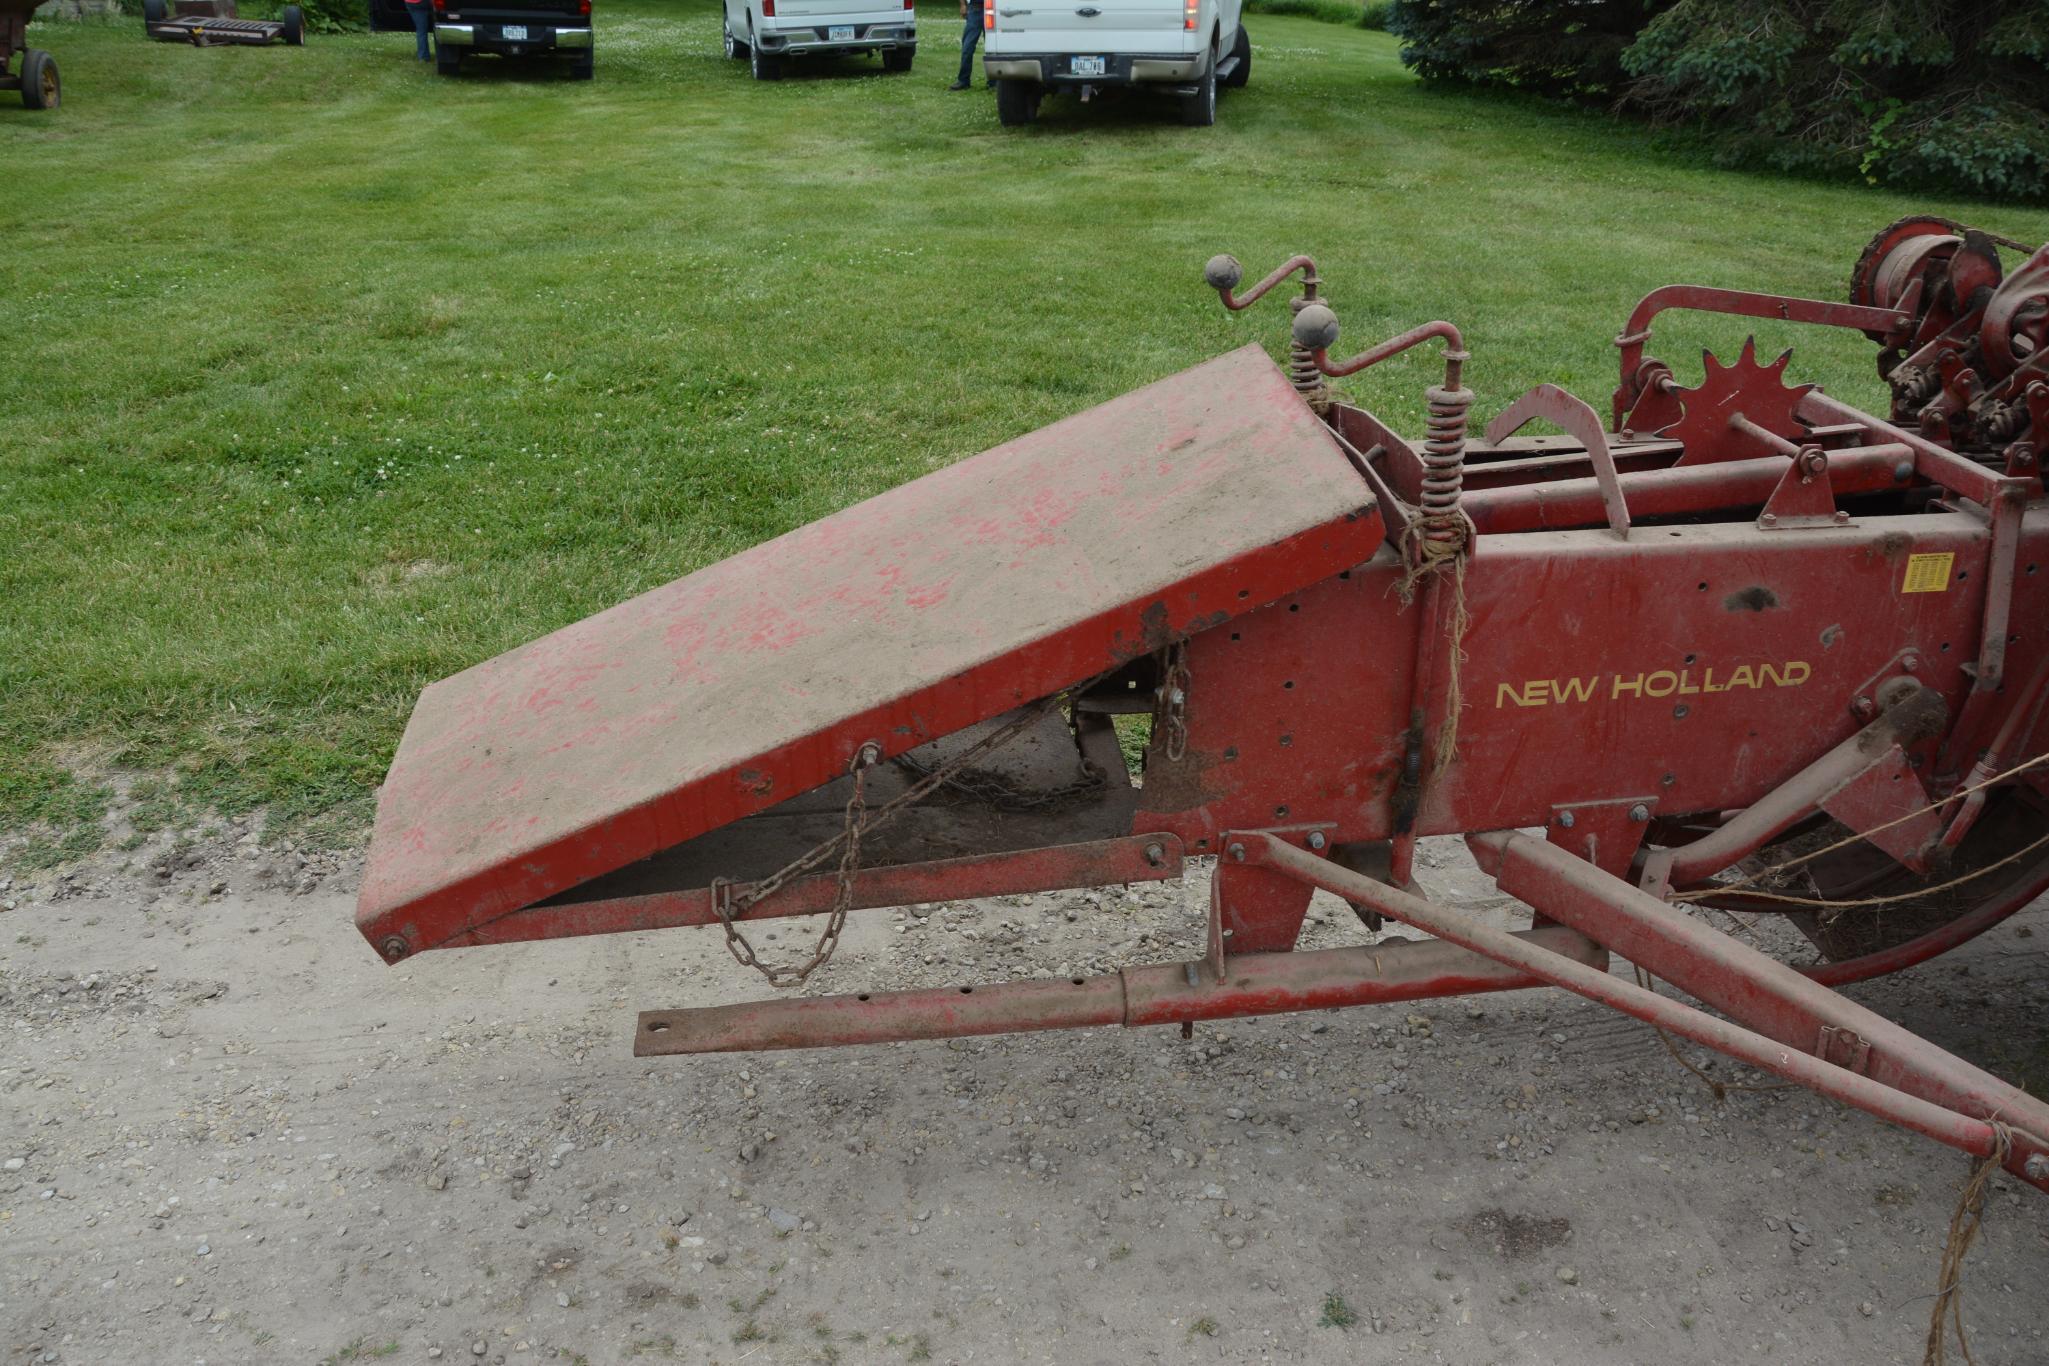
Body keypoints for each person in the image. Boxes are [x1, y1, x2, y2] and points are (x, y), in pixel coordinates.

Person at [949, 0, 980, 90]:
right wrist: (963, 5)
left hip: (992, 9)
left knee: (992, 49)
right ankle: (963, 80)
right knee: (967, 47)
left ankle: (994, 82)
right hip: (975, 9)